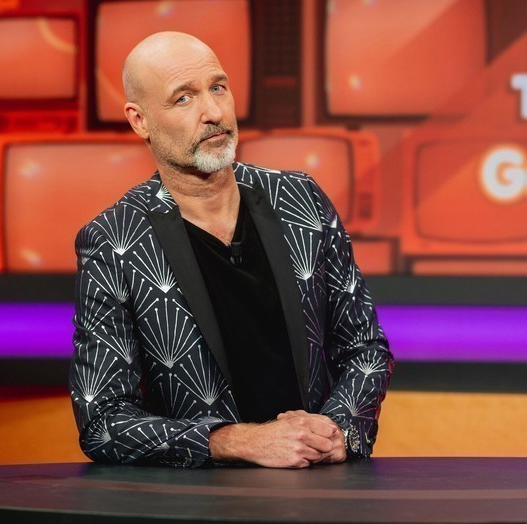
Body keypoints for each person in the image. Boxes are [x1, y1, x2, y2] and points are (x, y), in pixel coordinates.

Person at [69, 31, 392, 468]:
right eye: (184, 98)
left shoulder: (301, 200)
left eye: (218, 88)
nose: (214, 113)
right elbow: (104, 421)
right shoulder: (115, 241)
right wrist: (238, 441)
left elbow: (364, 348)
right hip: (201, 496)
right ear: (140, 120)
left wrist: (333, 432)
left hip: (320, 484)